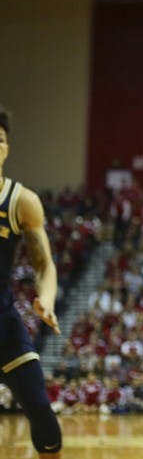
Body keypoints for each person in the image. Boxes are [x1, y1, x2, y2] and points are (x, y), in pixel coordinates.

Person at [0, 106, 63, 457]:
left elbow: (44, 265)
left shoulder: (21, 201)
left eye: (1, 140)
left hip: (4, 327)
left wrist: (47, 301)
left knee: (42, 413)